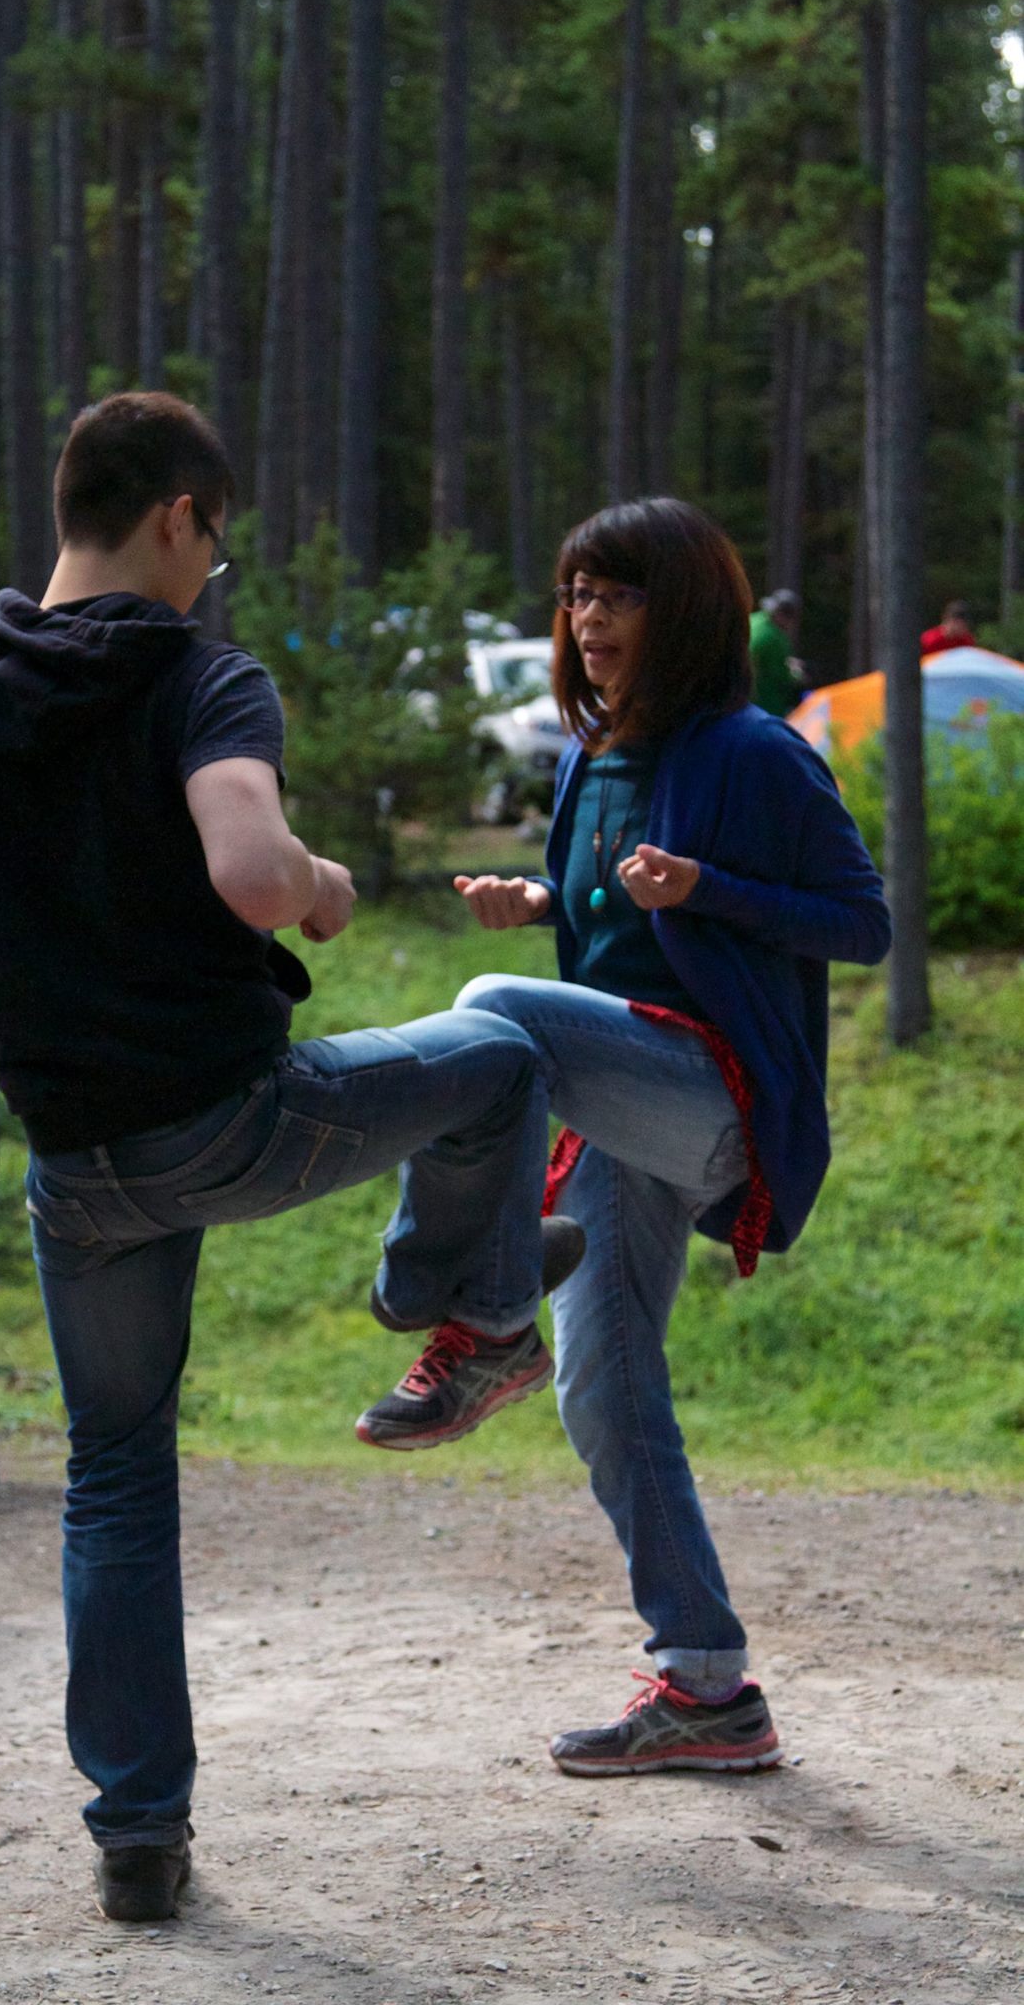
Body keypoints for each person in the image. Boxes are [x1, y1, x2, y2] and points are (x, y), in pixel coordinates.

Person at [0, 391, 583, 1925]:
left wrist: (34, 899)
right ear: (177, 514)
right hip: (233, 1117)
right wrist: (322, 887)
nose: (210, 570)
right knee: (502, 1059)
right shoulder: (200, 676)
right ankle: (463, 1311)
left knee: (114, 1476)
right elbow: (246, 870)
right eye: (215, 542)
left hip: (79, 1174)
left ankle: (137, 1837)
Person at [423, 497, 889, 1777]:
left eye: (616, 595)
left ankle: (484, 1309)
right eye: (576, 595)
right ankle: (706, 1683)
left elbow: (866, 924)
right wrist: (538, 909)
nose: (588, 620)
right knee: (607, 1391)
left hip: (719, 1097)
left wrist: (711, 889)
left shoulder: (754, 752)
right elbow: (609, 954)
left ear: (679, 609)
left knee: (486, 1018)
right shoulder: (588, 758)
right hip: (623, 1111)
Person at [748, 587, 806, 716]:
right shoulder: (775, 638)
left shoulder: (752, 620)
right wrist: (797, 674)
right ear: (784, 616)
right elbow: (782, 676)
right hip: (762, 705)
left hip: (736, 697)